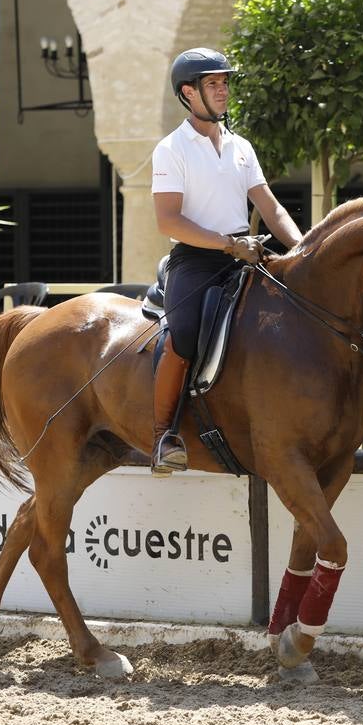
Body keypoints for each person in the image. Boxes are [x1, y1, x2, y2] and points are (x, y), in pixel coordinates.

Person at [148, 47, 304, 476]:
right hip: (196, 260)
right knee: (184, 333)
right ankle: (164, 435)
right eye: (213, 83)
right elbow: (168, 220)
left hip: (246, 255)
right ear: (188, 92)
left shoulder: (241, 146)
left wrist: (303, 248)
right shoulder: (172, 149)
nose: (223, 90)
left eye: (224, 83)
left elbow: (271, 209)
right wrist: (225, 244)